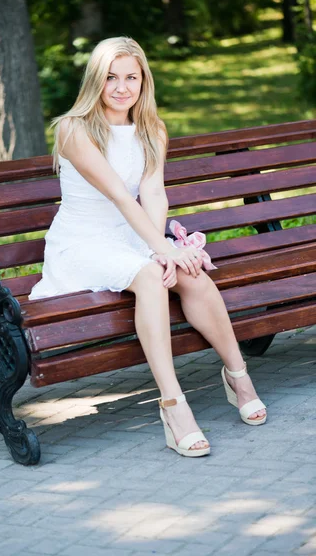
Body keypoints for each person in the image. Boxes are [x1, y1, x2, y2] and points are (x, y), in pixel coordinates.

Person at [29, 36, 267, 458]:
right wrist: (161, 251)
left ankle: (238, 375)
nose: (122, 87)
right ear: (96, 81)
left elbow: (153, 194)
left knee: (191, 274)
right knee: (154, 277)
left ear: (144, 81)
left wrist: (159, 247)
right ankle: (174, 406)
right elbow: (122, 196)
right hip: (83, 244)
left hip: (131, 236)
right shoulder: (74, 129)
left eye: (131, 77)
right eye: (111, 77)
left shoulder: (152, 128)